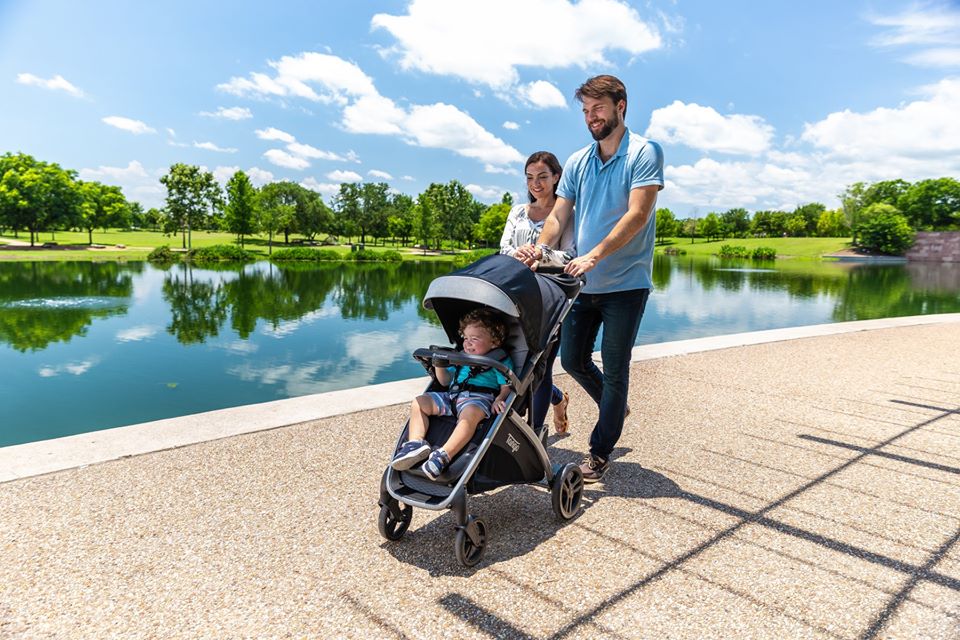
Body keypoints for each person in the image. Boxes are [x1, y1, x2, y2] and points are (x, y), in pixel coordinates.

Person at [515, 75, 664, 483]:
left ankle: (599, 452)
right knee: (572, 359)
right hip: (582, 282)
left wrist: (595, 255)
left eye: (598, 108)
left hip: (626, 283)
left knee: (615, 369)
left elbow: (638, 214)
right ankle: (615, 407)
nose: (591, 117)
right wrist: (541, 249)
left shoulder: (644, 152)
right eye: (585, 110)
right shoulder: (579, 161)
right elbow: (559, 215)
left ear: (620, 106)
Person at [499, 150, 575, 434]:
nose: (536, 184)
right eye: (530, 177)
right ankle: (558, 399)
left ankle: (535, 433)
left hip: (549, 298)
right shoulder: (517, 211)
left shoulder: (566, 213)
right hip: (513, 294)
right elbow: (504, 248)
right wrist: (520, 253)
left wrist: (540, 256)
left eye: (543, 176)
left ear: (556, 177)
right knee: (517, 363)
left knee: (541, 366)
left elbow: (570, 255)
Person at [390, 308, 514, 480]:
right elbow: (444, 382)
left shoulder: (499, 360)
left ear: (494, 342)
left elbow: (506, 386)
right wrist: (439, 365)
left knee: (469, 417)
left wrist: (499, 399)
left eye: (474, 339)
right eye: (466, 338)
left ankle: (443, 455)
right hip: (452, 397)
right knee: (419, 402)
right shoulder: (461, 357)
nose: (467, 343)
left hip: (478, 400)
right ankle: (415, 444)